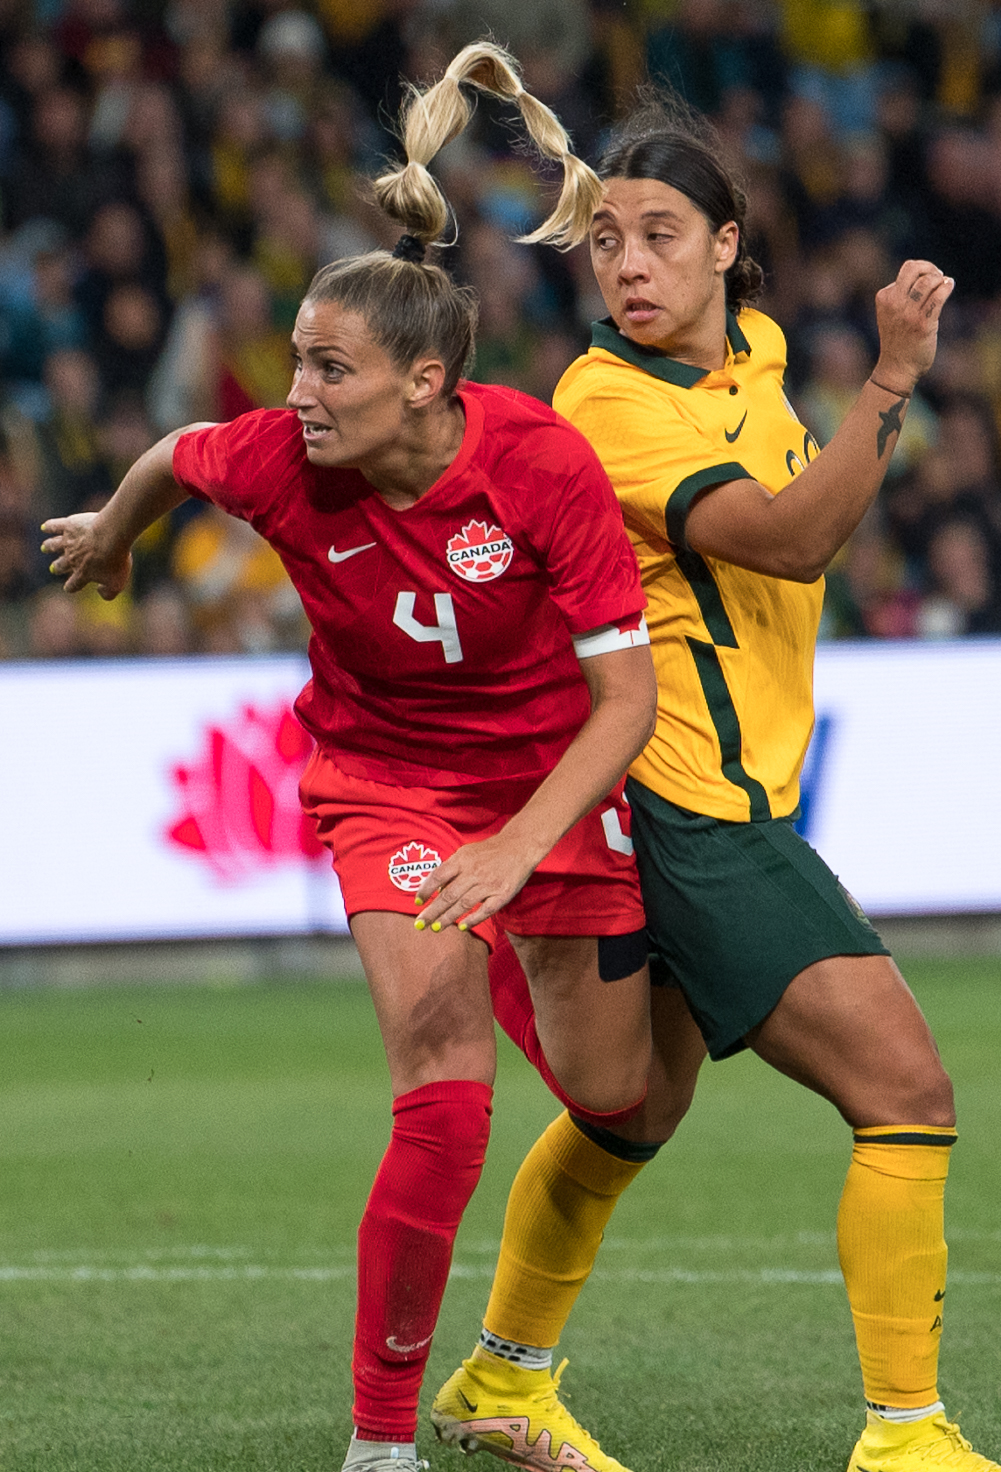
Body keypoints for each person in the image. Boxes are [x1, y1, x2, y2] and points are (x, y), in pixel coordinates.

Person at [40, 44, 660, 1472]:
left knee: (614, 1098)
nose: (297, 390)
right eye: (300, 360)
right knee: (445, 1091)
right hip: (387, 786)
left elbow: (621, 707)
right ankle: (381, 1442)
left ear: (427, 383)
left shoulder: (541, 465)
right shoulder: (280, 457)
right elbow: (179, 447)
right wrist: (119, 534)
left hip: (547, 789)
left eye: (330, 367)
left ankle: (515, 958)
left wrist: (517, 849)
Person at [432, 95, 1001, 1472]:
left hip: (718, 791)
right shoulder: (602, 402)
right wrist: (888, 384)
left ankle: (498, 1380)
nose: (626, 265)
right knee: (905, 1092)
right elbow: (791, 544)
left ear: (724, 248)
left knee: (631, 1110)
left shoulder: (748, 356)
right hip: (687, 800)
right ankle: (904, 1435)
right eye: (606, 242)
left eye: (658, 235)